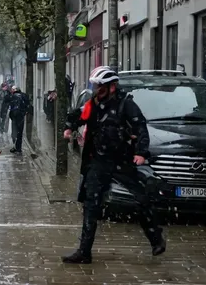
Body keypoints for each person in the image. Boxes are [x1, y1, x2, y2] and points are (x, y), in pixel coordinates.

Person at [61, 66, 166, 264]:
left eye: (100, 86)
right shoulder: (93, 104)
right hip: (98, 162)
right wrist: (69, 127)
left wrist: (141, 153)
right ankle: (84, 251)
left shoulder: (126, 105)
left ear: (112, 86)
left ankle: (156, 240)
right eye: (95, 86)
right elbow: (79, 115)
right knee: (91, 205)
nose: (96, 90)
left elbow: (140, 127)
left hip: (122, 161)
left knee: (141, 199)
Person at [8, 86, 29, 154]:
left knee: (15, 132)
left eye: (12, 90)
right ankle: (18, 148)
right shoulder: (23, 95)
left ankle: (16, 147)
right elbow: (27, 105)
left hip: (15, 117)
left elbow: (10, 106)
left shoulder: (13, 96)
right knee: (19, 133)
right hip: (20, 117)